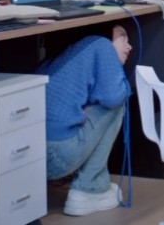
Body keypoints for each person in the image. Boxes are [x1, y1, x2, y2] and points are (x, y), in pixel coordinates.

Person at [36, 24, 133, 216]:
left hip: (33, 160)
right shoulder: (102, 44)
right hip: (59, 157)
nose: (129, 46)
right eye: (123, 36)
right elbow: (114, 96)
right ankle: (90, 190)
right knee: (116, 104)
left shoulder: (63, 55)